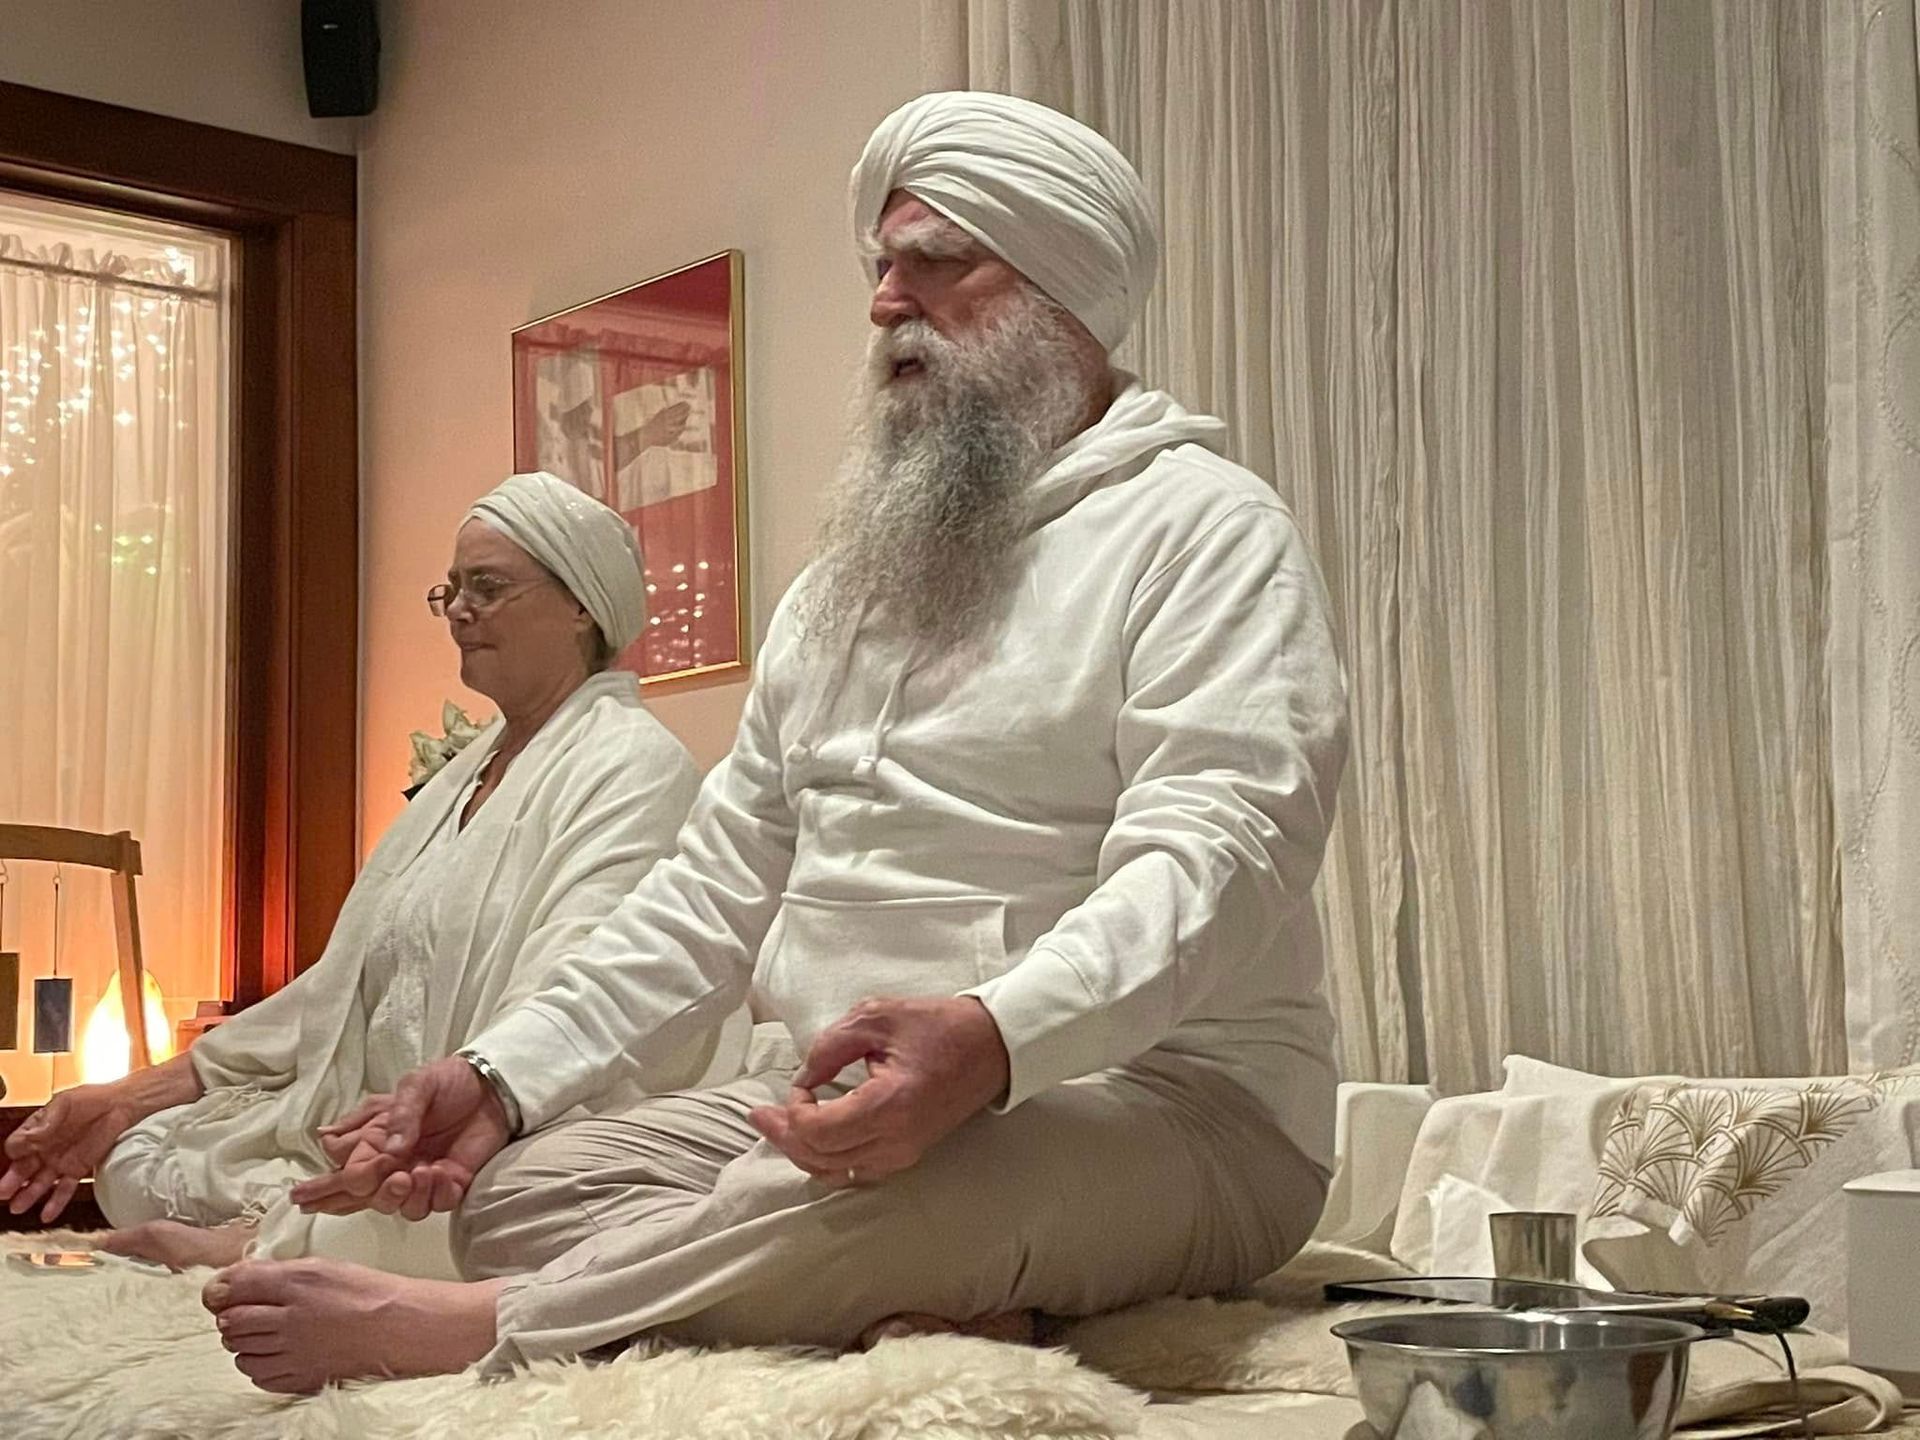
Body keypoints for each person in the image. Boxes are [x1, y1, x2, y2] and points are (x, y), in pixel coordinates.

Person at [200, 90, 1350, 1394]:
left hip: (1174, 1110)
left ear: (1064, 294)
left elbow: (1223, 857)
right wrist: (497, 1077)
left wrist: (993, 1035)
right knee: (522, 1190)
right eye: (880, 263)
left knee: (914, 1195)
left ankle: (497, 1326)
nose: (884, 301)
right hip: (856, 1117)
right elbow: (710, 894)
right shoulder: (843, 589)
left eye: (937, 261)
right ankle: (924, 1289)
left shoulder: (1206, 531)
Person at [0, 471, 733, 1274]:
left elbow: (569, 1005)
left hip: (522, 1116)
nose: (458, 610)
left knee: (504, 1198)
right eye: (450, 589)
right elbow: (338, 991)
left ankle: (267, 1240)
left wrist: (452, 1104)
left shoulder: (635, 765)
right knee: (140, 1157)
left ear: (582, 604)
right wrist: (130, 1094)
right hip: (384, 1118)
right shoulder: (466, 773)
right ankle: (308, 1225)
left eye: (487, 587)